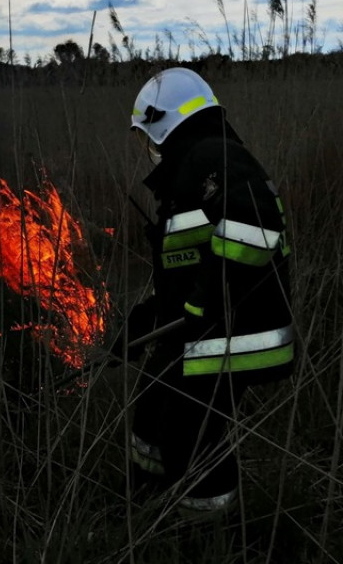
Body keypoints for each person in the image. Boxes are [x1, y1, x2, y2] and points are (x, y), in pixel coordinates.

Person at [120, 67, 293, 518]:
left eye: (148, 135)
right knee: (153, 411)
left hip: (232, 335)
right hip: (207, 331)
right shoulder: (193, 167)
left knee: (188, 436)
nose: (148, 148)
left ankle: (209, 533)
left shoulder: (212, 156)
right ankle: (148, 504)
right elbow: (194, 268)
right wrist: (149, 318)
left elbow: (255, 228)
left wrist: (204, 304)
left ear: (164, 123)